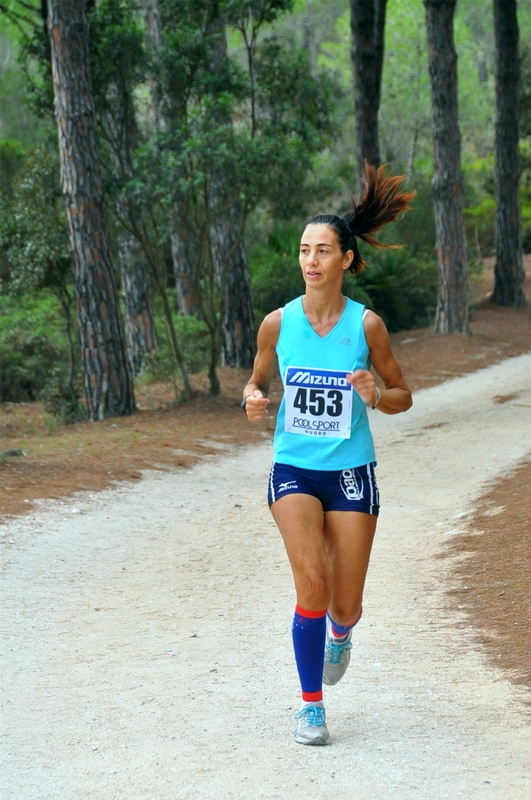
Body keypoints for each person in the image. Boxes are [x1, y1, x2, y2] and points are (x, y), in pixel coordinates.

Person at [242, 164, 414, 745]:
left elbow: (403, 396)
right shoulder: (276, 323)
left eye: (323, 250)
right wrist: (253, 398)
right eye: (303, 250)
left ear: (346, 259)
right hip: (293, 468)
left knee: (345, 602)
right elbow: (257, 380)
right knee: (310, 582)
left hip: (349, 473)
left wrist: (376, 394)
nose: (311, 260)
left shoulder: (368, 326)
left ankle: (341, 631)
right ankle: (310, 706)